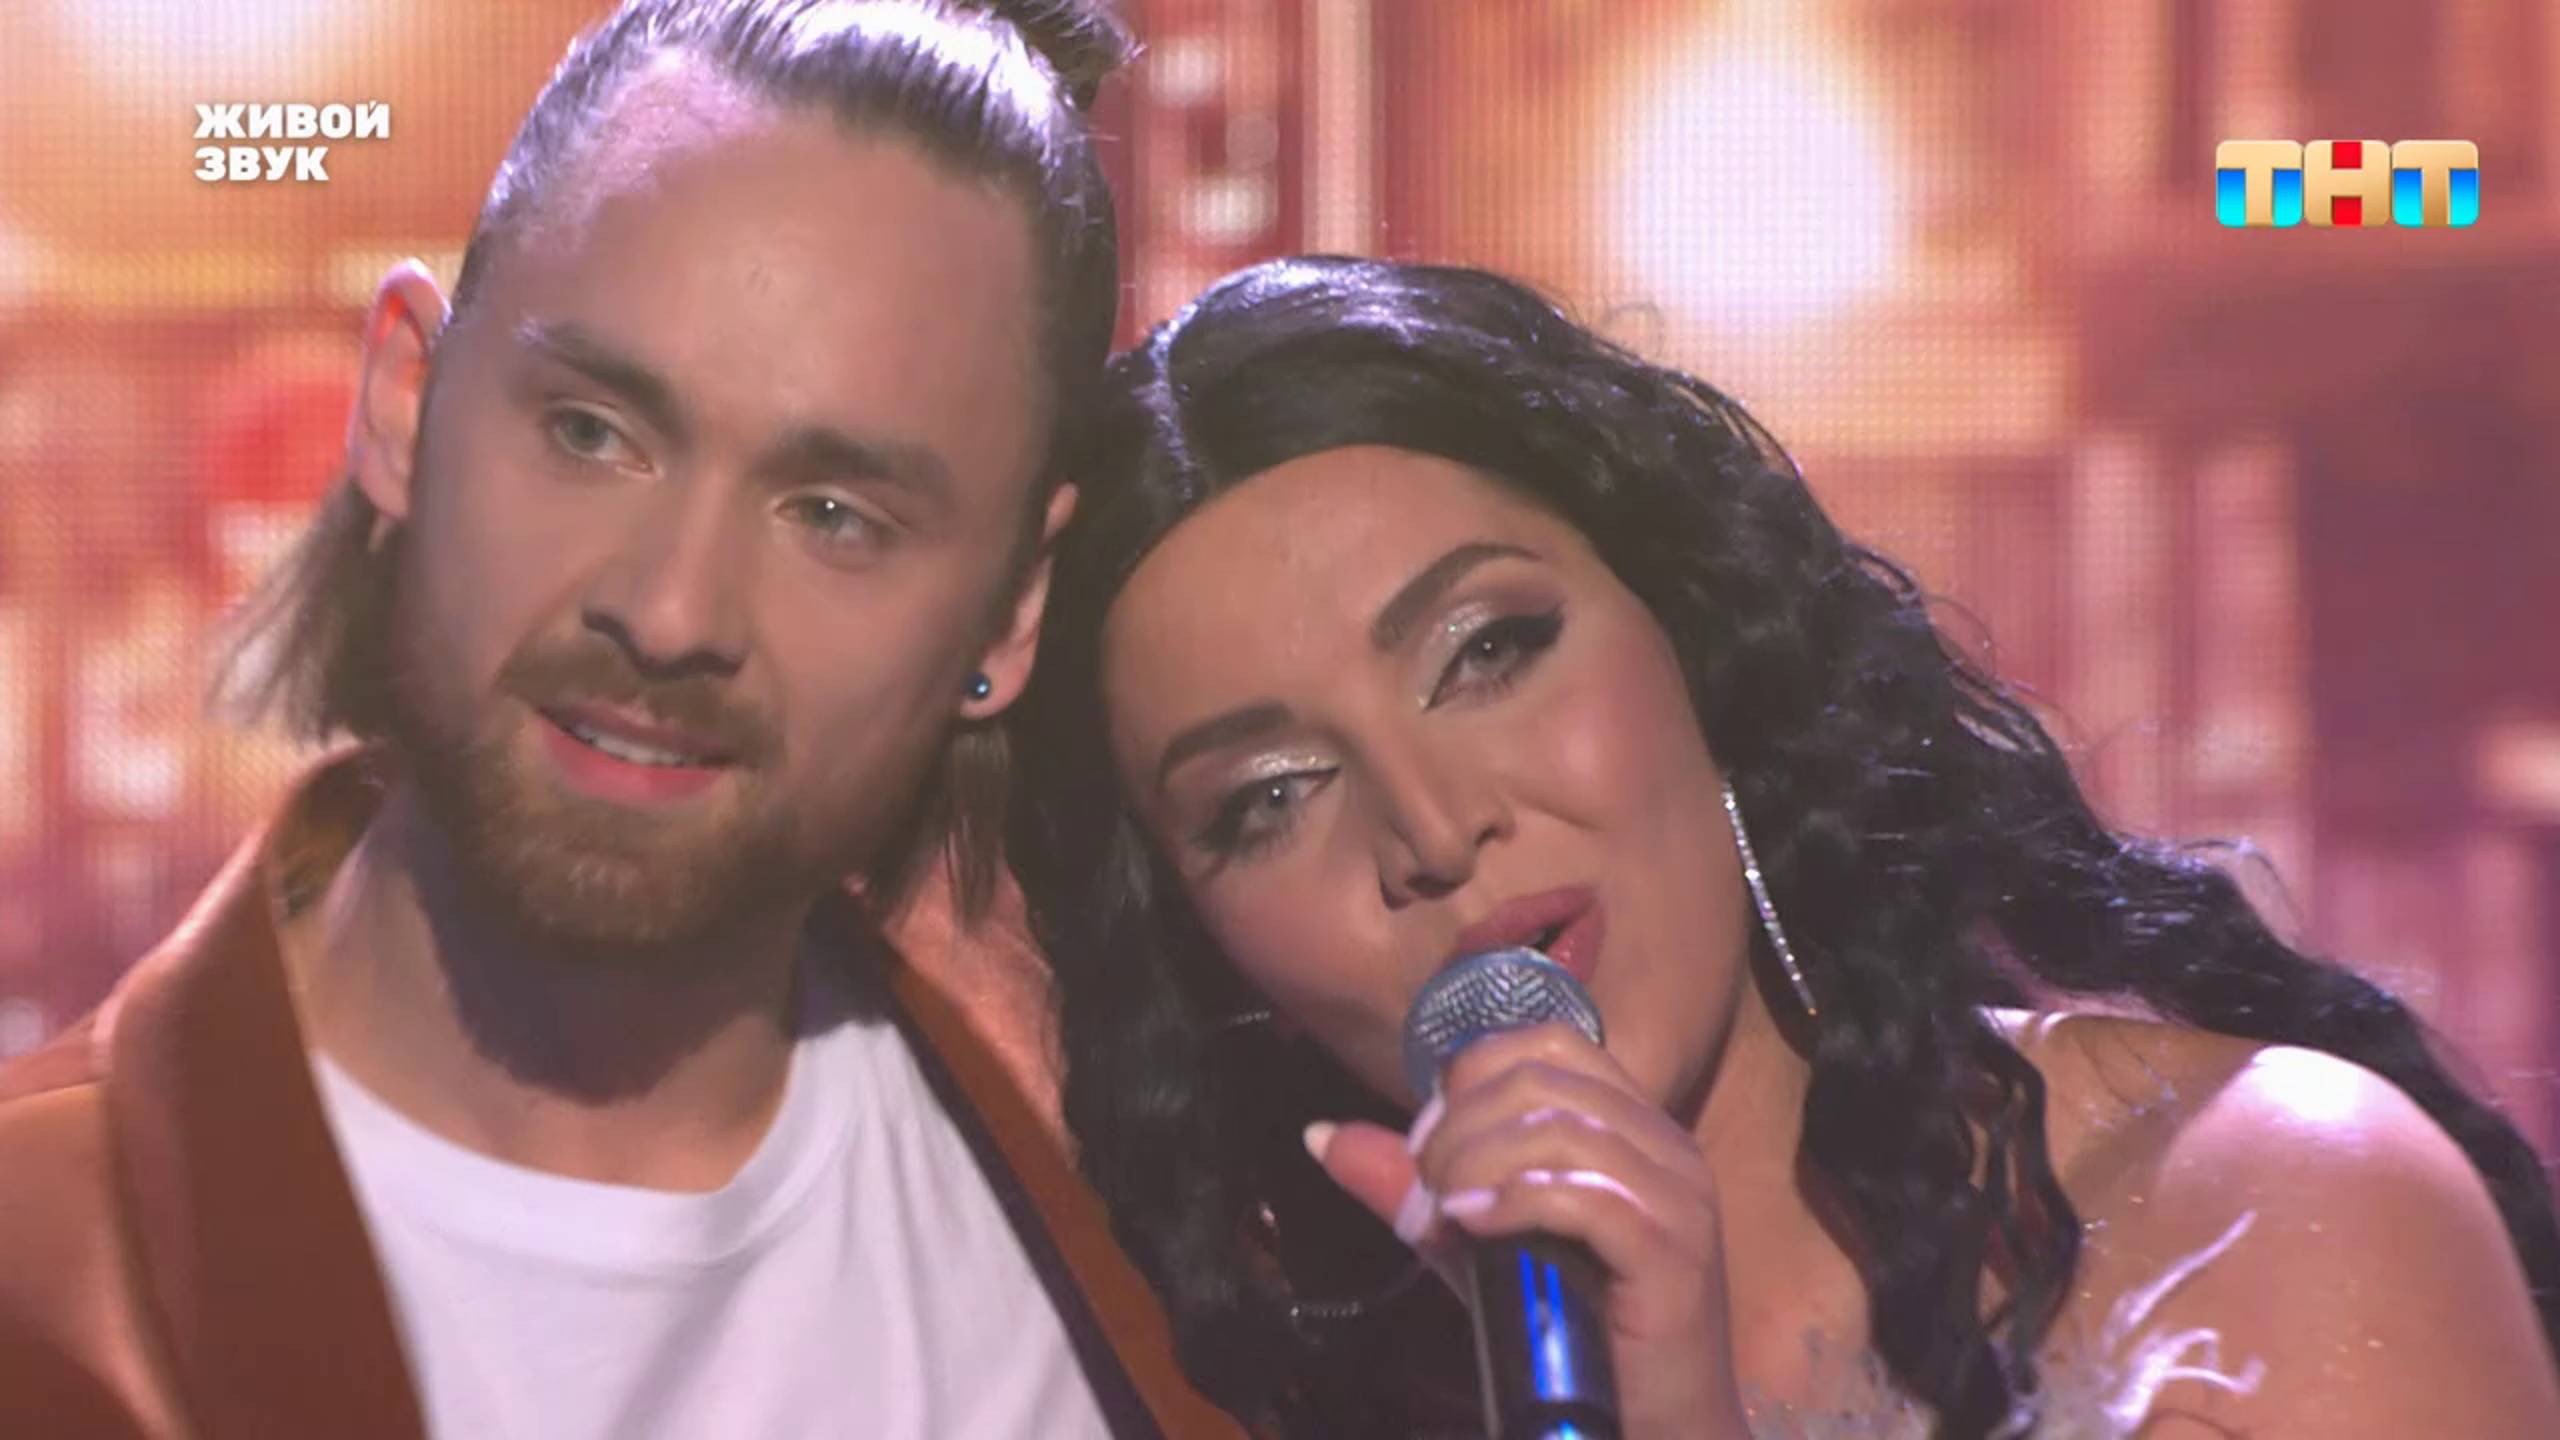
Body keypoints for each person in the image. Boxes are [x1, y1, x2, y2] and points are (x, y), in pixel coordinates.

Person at [1007, 255, 2560, 1438]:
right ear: (1209, 961)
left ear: (1694, 645)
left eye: (1487, 652)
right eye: (1271, 797)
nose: (1430, 828)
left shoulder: (2247, 1217)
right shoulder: (1262, 1404)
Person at [0, 3, 1244, 1437]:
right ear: (406, 404)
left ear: (1011, 612)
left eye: (833, 515)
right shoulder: (47, 1277)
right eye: (592, 433)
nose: (669, 610)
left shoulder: (1175, 1187)